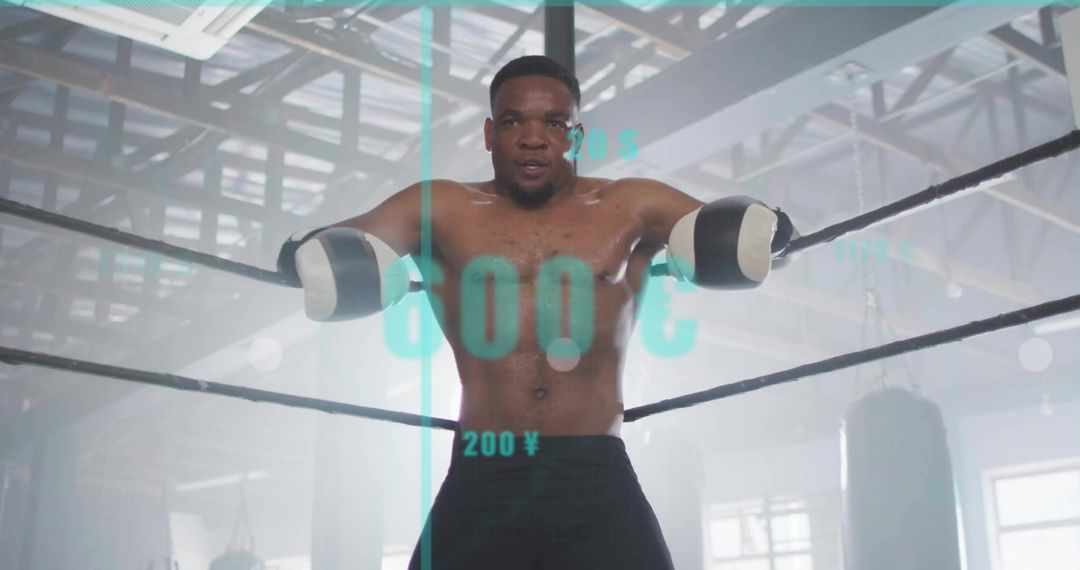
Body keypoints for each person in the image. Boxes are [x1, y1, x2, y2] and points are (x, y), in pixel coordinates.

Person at [277, 55, 796, 570]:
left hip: (593, 471)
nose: (533, 137)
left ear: (577, 136)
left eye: (553, 122)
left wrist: (772, 229)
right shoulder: (438, 207)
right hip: (485, 469)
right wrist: (307, 258)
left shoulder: (634, 204)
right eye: (512, 122)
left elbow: (746, 233)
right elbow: (325, 249)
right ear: (488, 133)